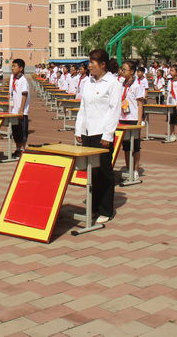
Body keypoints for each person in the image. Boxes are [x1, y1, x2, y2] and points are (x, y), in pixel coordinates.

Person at [74, 49, 122, 224]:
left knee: (104, 172)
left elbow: (114, 110)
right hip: (88, 132)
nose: (89, 66)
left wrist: (108, 134)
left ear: (102, 64)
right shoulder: (88, 82)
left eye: (92, 63)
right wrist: (79, 130)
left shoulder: (113, 83)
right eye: (89, 62)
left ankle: (106, 210)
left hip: (102, 133)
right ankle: (93, 207)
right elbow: (83, 107)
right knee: (91, 172)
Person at [118, 60, 144, 180]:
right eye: (122, 69)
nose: (122, 72)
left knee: (136, 146)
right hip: (122, 118)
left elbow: (140, 104)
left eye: (125, 70)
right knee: (126, 147)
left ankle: (135, 169)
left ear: (132, 71)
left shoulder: (137, 86)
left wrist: (139, 121)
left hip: (133, 119)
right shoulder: (121, 84)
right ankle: (128, 168)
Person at [9, 59, 30, 154]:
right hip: (14, 111)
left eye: (14, 66)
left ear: (21, 68)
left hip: (21, 111)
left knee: (23, 132)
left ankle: (23, 149)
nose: (12, 68)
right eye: (12, 66)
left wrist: (21, 110)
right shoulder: (13, 78)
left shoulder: (23, 80)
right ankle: (17, 149)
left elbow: (24, 95)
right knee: (16, 132)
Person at [166, 65, 177, 141]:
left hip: (176, 102)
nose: (171, 72)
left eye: (172, 70)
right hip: (170, 102)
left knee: (176, 119)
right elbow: (168, 92)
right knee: (170, 119)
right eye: (170, 70)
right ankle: (171, 133)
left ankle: (176, 134)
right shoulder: (170, 81)